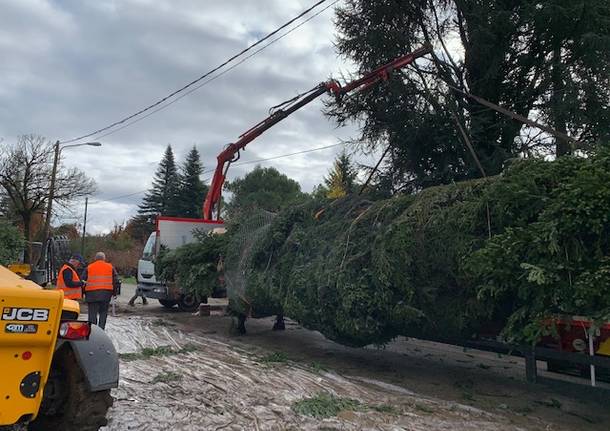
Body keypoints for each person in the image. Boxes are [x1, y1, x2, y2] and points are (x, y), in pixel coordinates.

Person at [82, 252, 119, 330]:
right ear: (104, 259)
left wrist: (83, 293)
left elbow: (83, 281)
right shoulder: (110, 267)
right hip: (106, 294)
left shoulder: (89, 267)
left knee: (92, 314)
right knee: (103, 313)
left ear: (95, 259)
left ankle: (92, 331)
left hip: (91, 294)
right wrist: (114, 293)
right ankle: (101, 330)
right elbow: (116, 281)